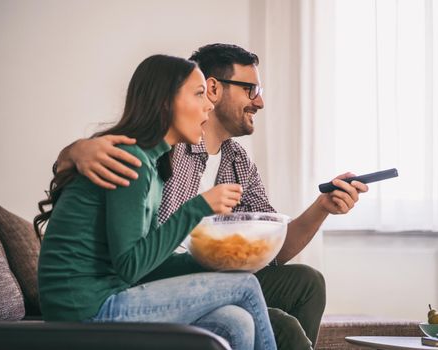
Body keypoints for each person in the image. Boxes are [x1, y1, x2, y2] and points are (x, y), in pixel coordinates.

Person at [54, 44, 369, 350]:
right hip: (125, 289)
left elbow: (273, 248)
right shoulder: (153, 153)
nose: (259, 103)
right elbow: (128, 257)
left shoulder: (234, 162)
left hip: (159, 275)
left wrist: (322, 207)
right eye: (251, 90)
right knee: (258, 303)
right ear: (211, 90)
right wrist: (74, 152)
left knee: (295, 288)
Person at [35, 54, 277, 350]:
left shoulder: (154, 165)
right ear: (165, 101)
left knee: (235, 321)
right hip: (84, 312)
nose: (209, 105)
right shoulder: (131, 161)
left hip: (102, 300)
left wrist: (210, 263)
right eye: (199, 94)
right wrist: (199, 207)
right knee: (246, 286)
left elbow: (143, 261)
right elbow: (131, 266)